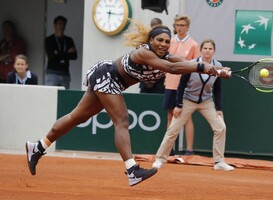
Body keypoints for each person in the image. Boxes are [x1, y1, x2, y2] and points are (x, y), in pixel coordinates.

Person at [25, 21, 230, 187]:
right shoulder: (143, 53)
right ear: (150, 40)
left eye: (167, 41)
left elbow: (182, 63)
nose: (164, 44)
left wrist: (216, 70)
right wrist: (204, 68)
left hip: (113, 82)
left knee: (76, 117)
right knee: (122, 120)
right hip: (107, 76)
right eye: (159, 40)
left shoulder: (166, 55)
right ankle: (132, 170)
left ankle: (38, 146)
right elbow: (171, 68)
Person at [152, 39, 234, 171]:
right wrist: (178, 104)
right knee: (173, 130)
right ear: (201, 50)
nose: (207, 51)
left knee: (220, 127)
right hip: (187, 100)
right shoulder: (191, 64)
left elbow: (218, 89)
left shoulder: (218, 65)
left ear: (214, 51)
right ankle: (160, 159)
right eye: (205, 48)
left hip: (206, 102)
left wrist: (218, 108)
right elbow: (181, 85)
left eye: (210, 49)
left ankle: (219, 161)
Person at [163, 15, 200, 155]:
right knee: (170, 116)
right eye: (177, 25)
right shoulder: (169, 42)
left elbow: (196, 66)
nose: (180, 28)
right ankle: (169, 148)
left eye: (182, 25)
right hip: (170, 84)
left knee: (186, 117)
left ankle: (189, 149)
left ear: (187, 27)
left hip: (185, 86)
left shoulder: (193, 45)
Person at [45, 15, 77, 89]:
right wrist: (67, 53)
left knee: (64, 96)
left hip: (65, 73)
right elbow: (51, 56)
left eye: (63, 24)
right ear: (55, 25)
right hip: (52, 73)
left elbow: (74, 56)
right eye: (59, 23)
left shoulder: (69, 40)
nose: (61, 26)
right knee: (51, 96)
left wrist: (58, 53)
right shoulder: (49, 40)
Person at [139, 18, 165, 94]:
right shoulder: (144, 41)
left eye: (157, 26)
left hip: (159, 84)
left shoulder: (165, 42)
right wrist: (146, 80)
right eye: (153, 26)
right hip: (144, 83)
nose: (155, 28)